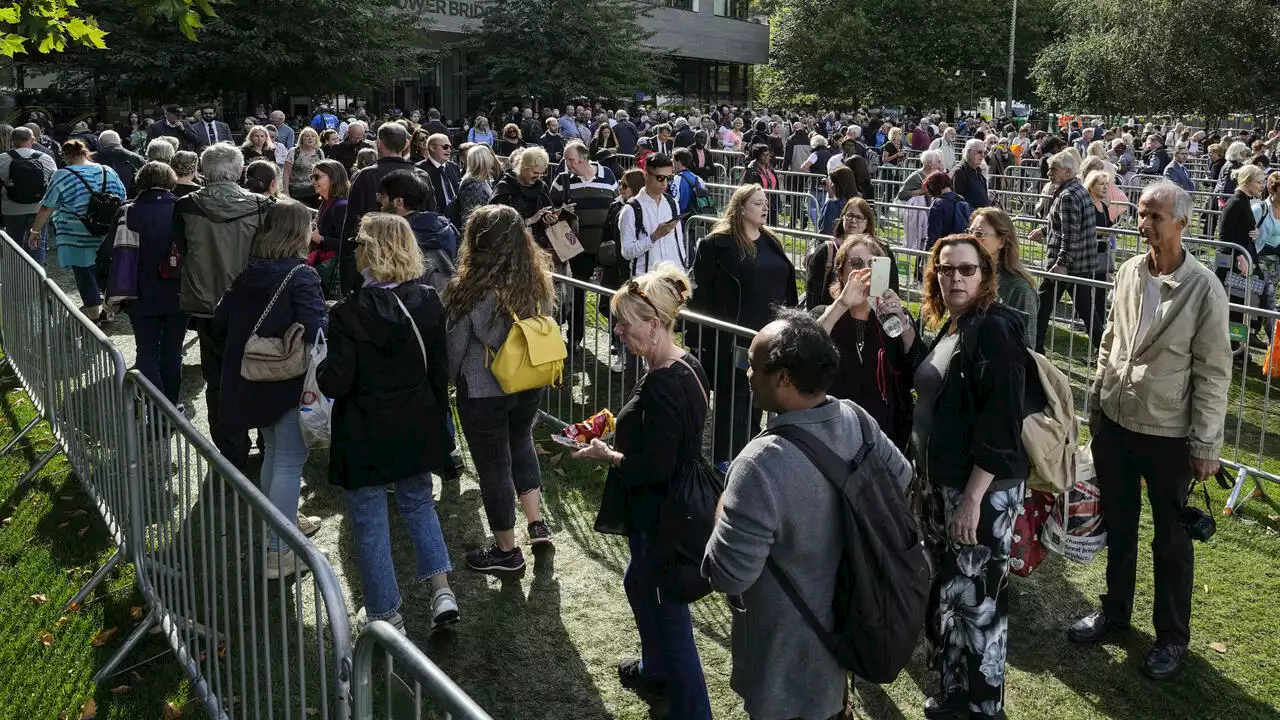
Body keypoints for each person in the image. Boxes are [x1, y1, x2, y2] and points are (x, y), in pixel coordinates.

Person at [702, 308, 912, 720]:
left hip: (785, 661)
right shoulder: (856, 417)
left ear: (782, 379)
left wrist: (722, 508)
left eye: (754, 364)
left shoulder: (758, 464)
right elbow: (902, 477)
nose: (747, 372)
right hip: (851, 623)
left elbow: (727, 574)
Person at [1069, 182, 1231, 681]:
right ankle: (1115, 612)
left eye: (1156, 216)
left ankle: (1171, 638)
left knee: (1171, 541)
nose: (1145, 224)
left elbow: (1213, 371)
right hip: (1116, 426)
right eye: (1141, 214)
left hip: (1168, 436)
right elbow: (1110, 340)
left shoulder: (1204, 288)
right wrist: (1096, 399)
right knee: (1118, 527)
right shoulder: (1127, 271)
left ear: (1182, 222)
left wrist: (1205, 445)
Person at [570, 265, 714, 719]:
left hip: (662, 512)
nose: (616, 331)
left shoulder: (663, 381)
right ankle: (656, 671)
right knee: (638, 580)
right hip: (669, 505)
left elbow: (654, 467)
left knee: (671, 615)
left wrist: (607, 456)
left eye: (624, 323)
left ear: (654, 324)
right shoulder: (685, 363)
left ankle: (692, 710)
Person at [318, 212, 460, 631]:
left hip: (366, 428)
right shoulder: (428, 300)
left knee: (370, 519)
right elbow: (439, 370)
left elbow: (336, 381)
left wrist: (321, 363)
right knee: (418, 504)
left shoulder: (349, 312)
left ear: (373, 249)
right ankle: (442, 591)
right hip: (415, 421)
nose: (355, 250)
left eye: (360, 242)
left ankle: (386, 613)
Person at [908, 234, 1027, 720]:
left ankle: (981, 708)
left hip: (982, 492)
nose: (955, 277)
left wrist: (973, 500)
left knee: (978, 607)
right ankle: (953, 696)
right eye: (945, 269)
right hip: (943, 486)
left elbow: (1001, 425)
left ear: (985, 276)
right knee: (951, 597)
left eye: (967, 269)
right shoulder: (954, 326)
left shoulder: (995, 331)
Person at [211, 200, 328, 578]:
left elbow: (220, 320)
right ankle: (280, 551)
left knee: (276, 454)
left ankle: (284, 521)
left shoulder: (250, 271)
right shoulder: (300, 275)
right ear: (296, 232)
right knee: (288, 460)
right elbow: (317, 329)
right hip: (286, 379)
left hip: (252, 378)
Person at [444, 204, 556, 572]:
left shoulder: (469, 288)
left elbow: (456, 346)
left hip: (484, 388)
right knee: (521, 442)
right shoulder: (538, 278)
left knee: (493, 467)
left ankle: (506, 551)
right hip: (530, 379)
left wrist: (446, 381)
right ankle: (536, 523)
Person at [174, 143, 271, 468]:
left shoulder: (186, 205)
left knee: (217, 379)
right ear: (240, 171)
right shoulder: (261, 206)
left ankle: (232, 449)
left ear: (204, 171)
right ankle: (265, 441)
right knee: (262, 372)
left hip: (209, 302)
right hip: (252, 304)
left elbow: (183, 250)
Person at [690, 183, 798, 468]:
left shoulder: (770, 240)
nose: (765, 208)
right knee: (734, 398)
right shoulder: (717, 244)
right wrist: (698, 337)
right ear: (740, 208)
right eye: (758, 203)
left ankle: (749, 454)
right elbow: (701, 294)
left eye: (766, 203)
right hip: (734, 338)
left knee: (760, 397)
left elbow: (785, 282)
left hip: (770, 335)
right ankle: (724, 458)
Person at [812, 235, 918, 450]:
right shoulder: (825, 314)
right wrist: (842, 304)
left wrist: (904, 324)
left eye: (873, 264)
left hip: (885, 439)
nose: (866, 271)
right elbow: (807, 348)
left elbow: (915, 369)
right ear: (841, 272)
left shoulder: (892, 318)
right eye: (857, 264)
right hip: (834, 435)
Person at [104, 161, 186, 404]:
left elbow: (108, 251)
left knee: (146, 350)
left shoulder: (127, 211)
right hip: (178, 292)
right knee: (173, 352)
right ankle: (171, 404)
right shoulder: (184, 210)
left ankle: (156, 404)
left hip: (139, 291)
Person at [26, 140, 126, 324]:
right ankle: (109, 311)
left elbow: (47, 207)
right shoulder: (107, 171)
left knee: (84, 274)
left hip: (75, 234)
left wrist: (35, 230)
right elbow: (123, 197)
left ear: (66, 156)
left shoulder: (62, 175)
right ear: (86, 152)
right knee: (107, 271)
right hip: (106, 231)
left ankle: (94, 317)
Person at [1032, 150, 1103, 353]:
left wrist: (1062, 262)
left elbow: (1070, 233)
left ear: (1067, 171)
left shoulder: (1068, 195)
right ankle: (1106, 351)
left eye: (1053, 169)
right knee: (1085, 311)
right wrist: (1044, 230)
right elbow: (1066, 225)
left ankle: (1034, 347)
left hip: (1067, 264)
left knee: (1043, 304)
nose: (1048, 173)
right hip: (1077, 263)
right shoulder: (1074, 190)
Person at [551, 140, 619, 347]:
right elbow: (549, 215)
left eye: (570, 159)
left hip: (605, 249)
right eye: (565, 159)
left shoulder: (608, 175)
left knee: (611, 296)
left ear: (584, 158)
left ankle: (618, 343)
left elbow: (618, 206)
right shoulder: (561, 181)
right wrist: (561, 213)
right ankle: (575, 337)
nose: (567, 164)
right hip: (576, 250)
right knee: (577, 296)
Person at [340, 122, 415, 294]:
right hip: (407, 257)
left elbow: (352, 225)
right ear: (405, 145)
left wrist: (347, 275)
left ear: (379, 143)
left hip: (373, 260)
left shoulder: (365, 175)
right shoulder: (419, 175)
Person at [968, 207, 1039, 347]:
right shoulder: (967, 277)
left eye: (979, 234)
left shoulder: (1019, 289)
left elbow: (1026, 347)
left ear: (1002, 241)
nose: (971, 239)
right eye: (970, 232)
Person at [619, 153, 687, 276]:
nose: (665, 183)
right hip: (645, 282)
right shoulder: (631, 209)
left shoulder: (672, 203)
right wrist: (653, 237)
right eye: (660, 178)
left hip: (672, 279)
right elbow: (627, 252)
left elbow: (678, 242)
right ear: (646, 175)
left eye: (669, 178)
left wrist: (682, 271)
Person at [0, 126, 57, 263]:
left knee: (14, 244)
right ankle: (37, 279)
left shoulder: (2, 159)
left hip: (11, 208)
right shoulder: (46, 159)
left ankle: (17, 276)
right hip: (39, 209)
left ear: (12, 141)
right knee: (37, 244)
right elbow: (54, 184)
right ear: (33, 140)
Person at [491, 145, 560, 252]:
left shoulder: (542, 187)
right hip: (510, 251)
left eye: (541, 174)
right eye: (535, 173)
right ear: (523, 167)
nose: (538, 177)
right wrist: (529, 221)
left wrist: (550, 218)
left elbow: (549, 211)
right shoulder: (505, 188)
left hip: (538, 250)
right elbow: (498, 225)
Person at [1219, 164, 1264, 277]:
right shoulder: (1235, 202)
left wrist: (1255, 231)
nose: (1262, 186)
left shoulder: (1244, 200)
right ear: (1246, 182)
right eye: (1259, 182)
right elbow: (1224, 236)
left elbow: (1240, 227)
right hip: (1235, 262)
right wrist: (1241, 258)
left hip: (1245, 256)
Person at [308, 159, 349, 279]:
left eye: (317, 177)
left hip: (331, 270)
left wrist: (321, 238)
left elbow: (346, 244)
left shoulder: (341, 206)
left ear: (333, 179)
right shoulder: (326, 202)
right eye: (312, 177)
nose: (313, 181)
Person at [414, 133, 461, 216]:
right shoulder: (419, 169)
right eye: (445, 147)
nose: (449, 150)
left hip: (455, 219)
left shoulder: (453, 167)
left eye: (450, 147)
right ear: (432, 148)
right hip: (433, 219)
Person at [93, 130, 146, 199]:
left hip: (102, 202)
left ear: (100, 144)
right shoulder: (137, 158)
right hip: (132, 201)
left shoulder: (92, 159)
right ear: (120, 141)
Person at [926, 171, 970, 250]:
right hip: (961, 245)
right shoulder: (960, 198)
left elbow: (933, 234)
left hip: (945, 248)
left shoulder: (938, 204)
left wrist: (927, 251)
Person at [456, 143, 496, 228]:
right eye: (489, 155)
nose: (492, 157)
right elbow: (470, 218)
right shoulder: (474, 186)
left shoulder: (483, 180)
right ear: (483, 160)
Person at [283, 128, 325, 207]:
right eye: (307, 136)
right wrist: (286, 192)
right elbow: (286, 173)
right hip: (296, 191)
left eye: (313, 136)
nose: (310, 138)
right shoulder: (294, 152)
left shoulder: (319, 152)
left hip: (315, 191)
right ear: (301, 138)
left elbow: (323, 172)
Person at [817, 165, 859, 236]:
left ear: (838, 185)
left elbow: (826, 232)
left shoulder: (832, 205)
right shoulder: (859, 202)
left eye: (832, 182)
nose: (830, 185)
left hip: (834, 244)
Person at [953, 139, 991, 210]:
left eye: (984, 152)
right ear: (969, 152)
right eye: (979, 152)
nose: (982, 155)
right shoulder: (960, 172)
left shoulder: (978, 170)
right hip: (969, 217)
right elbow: (959, 201)